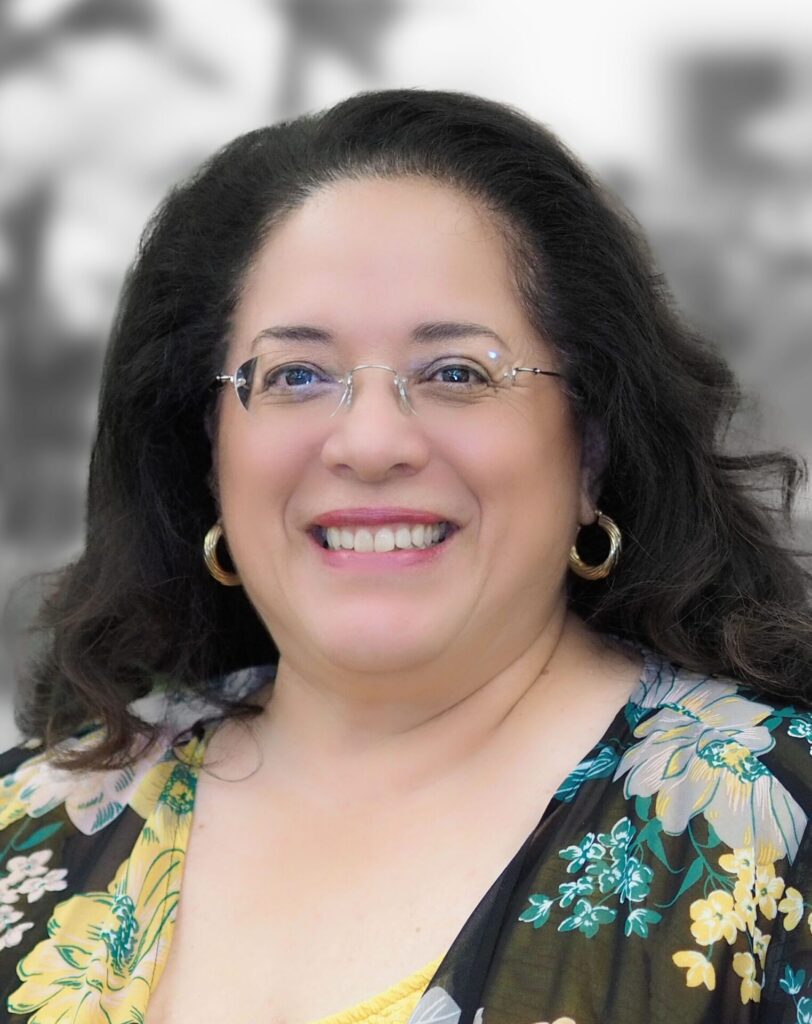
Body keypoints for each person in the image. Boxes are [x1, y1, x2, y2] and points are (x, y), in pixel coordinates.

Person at [0, 88, 810, 1024]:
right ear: (209, 450)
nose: (372, 442)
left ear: (589, 449)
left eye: (457, 373)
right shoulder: (35, 818)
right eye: (296, 375)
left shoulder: (772, 824)